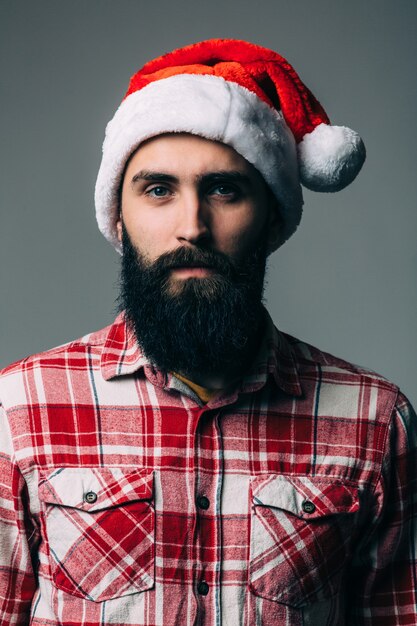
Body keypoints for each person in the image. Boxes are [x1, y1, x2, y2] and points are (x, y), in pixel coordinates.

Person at [0, 38, 415, 626]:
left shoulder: (376, 422)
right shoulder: (19, 411)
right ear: (118, 217)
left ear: (272, 218)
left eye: (224, 189)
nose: (191, 226)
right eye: (158, 189)